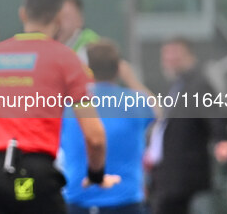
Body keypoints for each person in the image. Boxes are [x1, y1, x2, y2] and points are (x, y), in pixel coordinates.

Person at [0, 0, 119, 214]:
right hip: (33, 171)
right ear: (58, 18)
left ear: (23, 13)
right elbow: (95, 137)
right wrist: (96, 174)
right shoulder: (65, 59)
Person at [60, 39, 156, 214]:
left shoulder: (69, 104)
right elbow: (160, 113)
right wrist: (131, 80)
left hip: (77, 201)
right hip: (126, 201)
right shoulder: (136, 102)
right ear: (118, 68)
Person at [146, 38, 227, 214]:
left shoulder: (199, 84)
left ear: (186, 54)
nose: (168, 60)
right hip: (168, 176)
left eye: (173, 54)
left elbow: (215, 116)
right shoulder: (177, 85)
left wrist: (222, 140)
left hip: (184, 176)